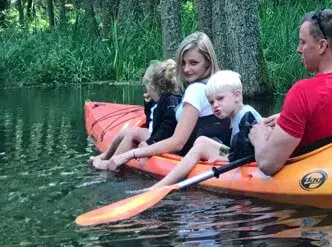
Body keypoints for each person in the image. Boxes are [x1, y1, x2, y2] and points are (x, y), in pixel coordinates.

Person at [249, 9, 332, 175]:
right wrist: (290, 117)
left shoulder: (302, 92)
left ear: (322, 46)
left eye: (303, 42)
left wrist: (258, 136)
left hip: (310, 172)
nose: (298, 49)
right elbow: (330, 114)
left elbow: (267, 164)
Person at [108, 32, 231, 170]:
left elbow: (177, 142)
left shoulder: (195, 90)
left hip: (193, 155)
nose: (186, 69)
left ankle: (106, 164)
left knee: (134, 139)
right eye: (183, 63)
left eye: (193, 63)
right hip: (220, 148)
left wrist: (132, 153)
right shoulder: (221, 84)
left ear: (208, 61)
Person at [152, 70, 262, 188]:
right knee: (201, 141)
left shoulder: (246, 116)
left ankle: (162, 185)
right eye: (211, 102)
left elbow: (254, 151)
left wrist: (223, 158)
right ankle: (168, 181)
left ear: (237, 95)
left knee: (201, 145)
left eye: (220, 99)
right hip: (238, 153)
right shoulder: (236, 115)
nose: (215, 105)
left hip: (251, 159)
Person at [90, 59, 181, 170]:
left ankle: (110, 164)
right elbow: (150, 122)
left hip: (164, 139)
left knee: (131, 134)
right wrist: (148, 104)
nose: (146, 89)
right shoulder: (158, 100)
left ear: (152, 86)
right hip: (157, 134)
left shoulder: (169, 102)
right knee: (129, 132)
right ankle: (106, 155)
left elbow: (167, 128)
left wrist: (149, 143)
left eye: (146, 86)